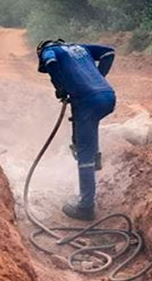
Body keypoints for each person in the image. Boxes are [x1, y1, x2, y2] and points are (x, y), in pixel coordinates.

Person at [37, 39, 116, 221]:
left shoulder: (50, 52)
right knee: (86, 134)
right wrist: (98, 76)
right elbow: (109, 53)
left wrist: (61, 88)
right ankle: (93, 162)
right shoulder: (81, 48)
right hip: (108, 96)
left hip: (88, 101)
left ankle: (86, 206)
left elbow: (51, 63)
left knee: (84, 152)